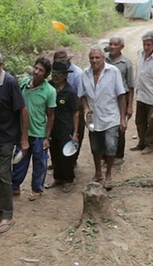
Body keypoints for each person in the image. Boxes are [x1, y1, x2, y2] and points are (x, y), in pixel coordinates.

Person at [0, 50, 29, 234]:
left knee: (3, 173)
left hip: (8, 136)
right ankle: (3, 200)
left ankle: (7, 215)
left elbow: (22, 111)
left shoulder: (9, 82)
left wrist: (24, 139)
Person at [79, 45, 126, 189]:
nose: (94, 60)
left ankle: (109, 175)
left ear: (103, 58)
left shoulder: (113, 72)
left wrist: (123, 118)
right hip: (93, 118)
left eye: (97, 57)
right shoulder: (85, 74)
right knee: (95, 147)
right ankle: (98, 172)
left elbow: (121, 95)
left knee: (111, 147)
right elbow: (81, 95)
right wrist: (86, 108)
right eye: (92, 58)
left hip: (111, 116)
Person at [13, 57, 56, 201]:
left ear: (46, 74)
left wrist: (47, 137)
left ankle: (37, 188)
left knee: (39, 162)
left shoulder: (49, 91)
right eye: (36, 68)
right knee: (19, 161)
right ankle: (15, 186)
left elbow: (51, 115)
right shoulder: (24, 84)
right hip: (22, 131)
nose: (36, 72)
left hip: (39, 133)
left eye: (41, 70)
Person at [45, 59, 79, 193]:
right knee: (54, 153)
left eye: (58, 74)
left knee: (67, 155)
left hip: (66, 128)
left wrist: (75, 132)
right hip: (52, 128)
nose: (55, 76)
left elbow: (76, 112)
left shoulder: (69, 91)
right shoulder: (49, 87)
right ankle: (57, 177)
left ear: (65, 75)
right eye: (53, 73)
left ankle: (69, 179)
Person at [106, 36, 134, 164]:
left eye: (115, 44)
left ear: (121, 47)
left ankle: (119, 155)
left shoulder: (126, 63)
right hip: (107, 98)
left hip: (122, 98)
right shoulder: (104, 60)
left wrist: (130, 106)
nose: (112, 47)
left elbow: (131, 85)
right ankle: (106, 155)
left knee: (120, 126)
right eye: (111, 44)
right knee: (106, 125)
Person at [53, 49, 85, 164]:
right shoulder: (53, 80)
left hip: (75, 107)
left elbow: (80, 95)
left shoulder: (78, 74)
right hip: (60, 111)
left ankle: (72, 162)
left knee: (74, 137)